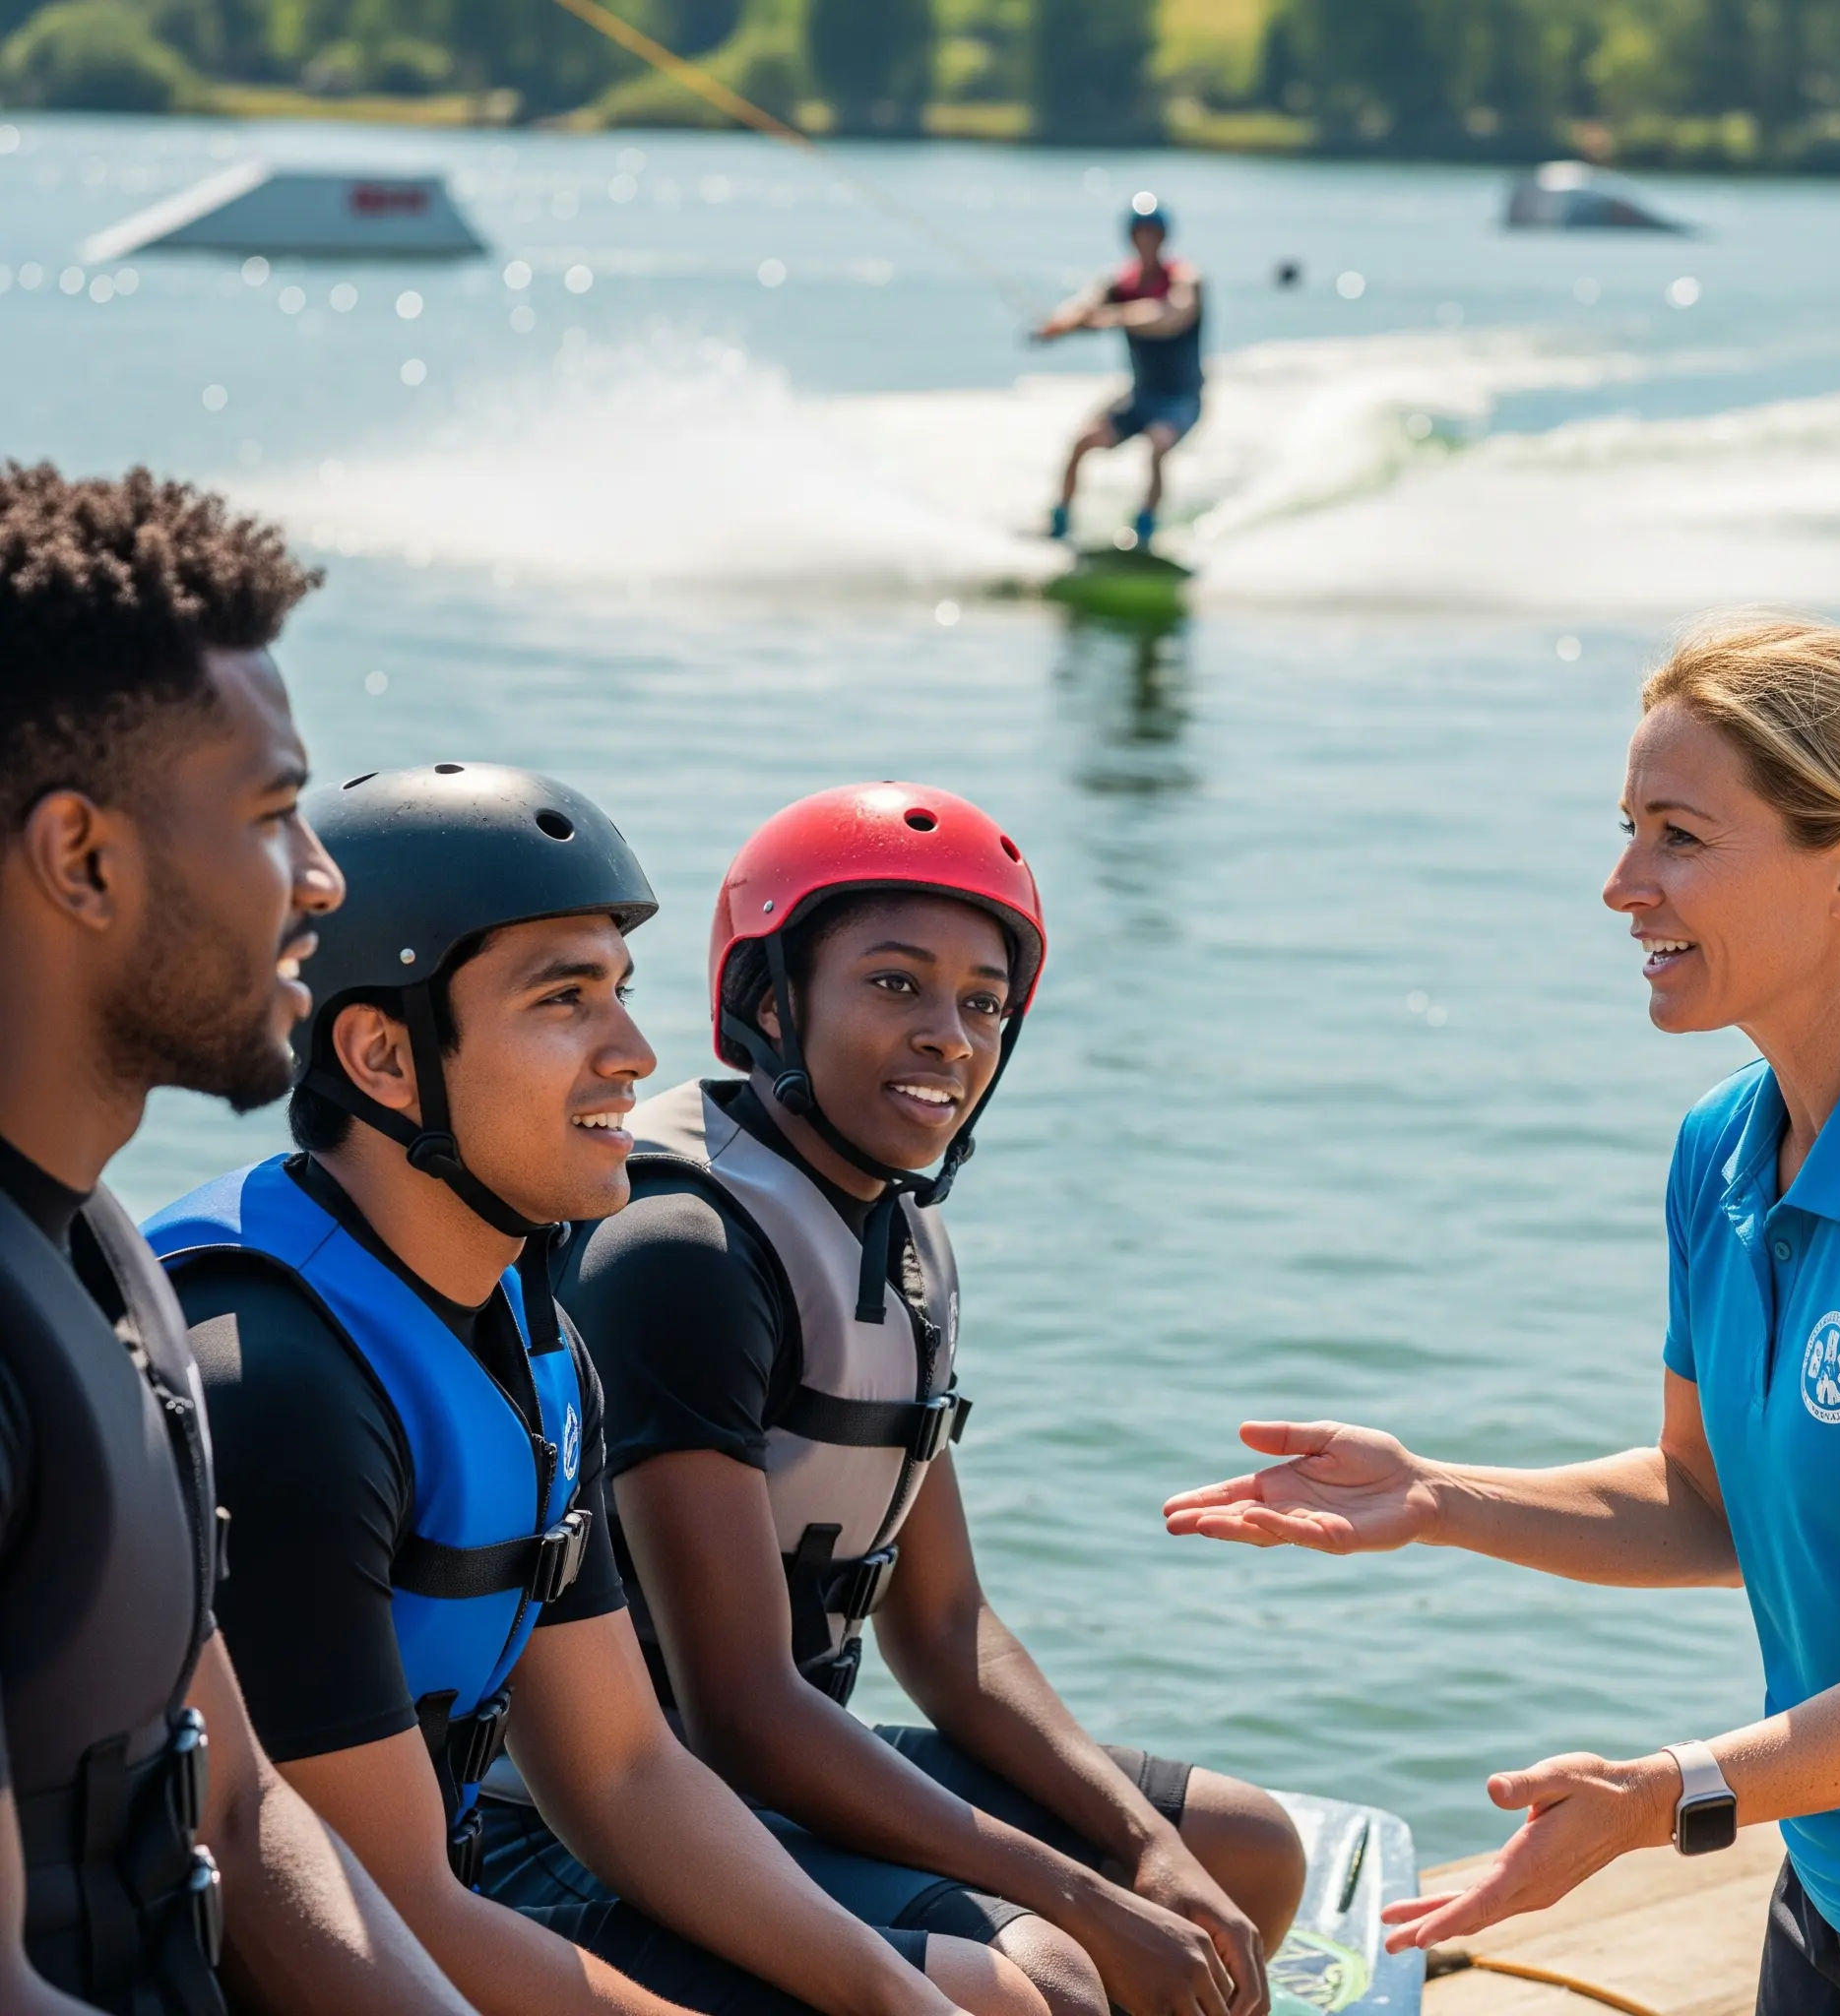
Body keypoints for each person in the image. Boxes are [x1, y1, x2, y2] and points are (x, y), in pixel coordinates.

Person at [1166, 620, 1840, 2012]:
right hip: (1831, 1896)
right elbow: (1708, 1501)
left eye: (1678, 836)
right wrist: (1440, 1495)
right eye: (1628, 829)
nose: (1623, 885)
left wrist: (1664, 1795)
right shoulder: (1725, 1149)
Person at [143, 764, 1034, 2016]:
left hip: (437, 1925)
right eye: (566, 1000)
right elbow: (365, 1912)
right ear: (383, 1054)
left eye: (619, 991)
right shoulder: (273, 1382)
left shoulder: (528, 1329)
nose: (636, 1052)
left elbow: (621, 1767)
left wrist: (893, 1998)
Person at [536, 783, 1306, 2016]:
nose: (951, 1033)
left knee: (1243, 1851)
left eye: (983, 1001)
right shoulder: (677, 1248)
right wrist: (1080, 1891)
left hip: (774, 1768)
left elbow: (944, 1630)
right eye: (894, 982)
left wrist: (1143, 1849)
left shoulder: (893, 1233)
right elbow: (735, 1707)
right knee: (1049, 1971)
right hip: (609, 1818)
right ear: (770, 1000)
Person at [0, 463, 483, 2016]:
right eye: (279, 817)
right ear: (83, 859)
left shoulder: (97, 1256)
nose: (325, 885)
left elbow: (240, 1802)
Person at [1036, 193, 1204, 552]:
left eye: (1151, 234)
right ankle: (1059, 522)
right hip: (1140, 395)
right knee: (1083, 440)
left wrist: (1114, 317)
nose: (1145, 241)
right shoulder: (1118, 283)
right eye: (1139, 234)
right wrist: (1060, 325)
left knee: (1158, 444)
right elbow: (1085, 304)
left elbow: (1172, 315)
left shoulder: (1183, 279)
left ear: (1163, 238)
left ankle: (1144, 531)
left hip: (1180, 399)